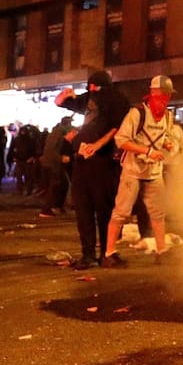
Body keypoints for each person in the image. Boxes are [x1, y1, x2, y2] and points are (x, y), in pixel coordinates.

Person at [100, 75, 182, 267]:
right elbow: (121, 140)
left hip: (153, 171)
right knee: (121, 212)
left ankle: (162, 251)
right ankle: (109, 253)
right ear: (153, 93)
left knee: (158, 213)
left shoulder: (168, 117)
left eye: (168, 95)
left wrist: (168, 145)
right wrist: (147, 151)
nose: (166, 98)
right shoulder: (137, 113)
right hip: (132, 170)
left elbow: (166, 138)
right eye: (163, 94)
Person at [56, 70, 130, 270]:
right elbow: (60, 102)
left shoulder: (112, 99)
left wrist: (96, 145)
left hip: (98, 159)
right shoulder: (96, 97)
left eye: (93, 86)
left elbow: (116, 128)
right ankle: (95, 254)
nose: (92, 90)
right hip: (89, 160)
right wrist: (65, 94)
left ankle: (100, 253)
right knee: (90, 209)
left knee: (95, 209)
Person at [37, 116, 75, 217]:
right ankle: (46, 209)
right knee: (54, 186)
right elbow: (50, 151)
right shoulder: (57, 134)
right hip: (52, 164)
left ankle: (57, 206)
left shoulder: (59, 134)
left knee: (63, 184)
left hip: (55, 164)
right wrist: (61, 158)